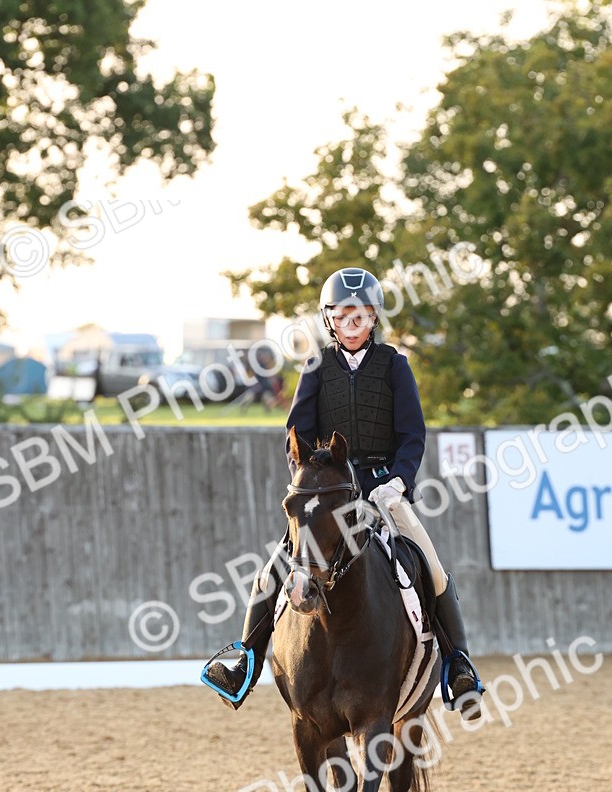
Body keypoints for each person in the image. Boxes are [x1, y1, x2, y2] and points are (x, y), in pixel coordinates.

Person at [202, 266, 484, 718]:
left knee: (430, 566)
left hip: (382, 488)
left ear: (374, 318)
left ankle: (458, 665)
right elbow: (296, 434)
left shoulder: (394, 365)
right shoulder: (316, 367)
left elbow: (412, 434)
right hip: (329, 490)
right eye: (342, 316)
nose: (351, 325)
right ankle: (245, 662)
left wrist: (398, 481)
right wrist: (308, 478)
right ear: (328, 319)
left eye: (360, 316)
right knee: (273, 569)